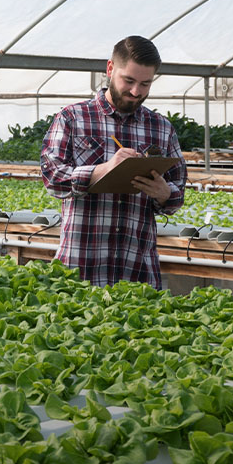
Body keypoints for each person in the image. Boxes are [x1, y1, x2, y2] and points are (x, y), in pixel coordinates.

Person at [41, 35, 186, 288]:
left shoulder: (161, 128)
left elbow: (178, 192)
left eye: (145, 84)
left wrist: (164, 193)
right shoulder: (72, 118)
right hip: (80, 268)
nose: (135, 91)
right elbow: (53, 178)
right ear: (110, 69)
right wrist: (104, 170)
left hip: (138, 270)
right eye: (128, 81)